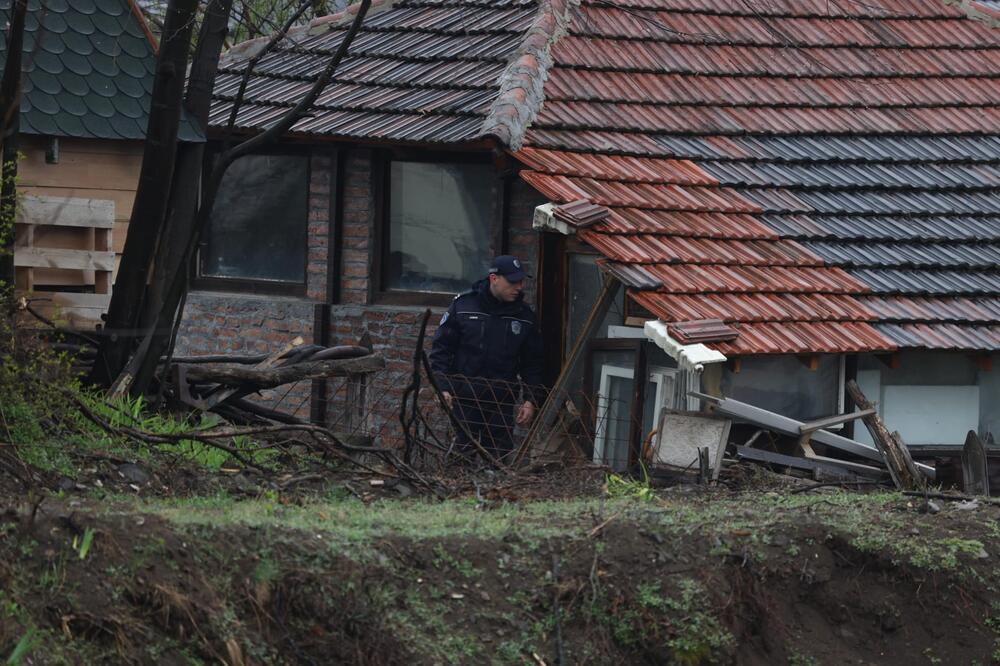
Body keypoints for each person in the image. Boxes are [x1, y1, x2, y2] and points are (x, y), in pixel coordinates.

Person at [429, 255, 545, 461]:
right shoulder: (463, 306)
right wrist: (443, 386)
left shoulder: (524, 315)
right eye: (513, 282)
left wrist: (530, 399)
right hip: (465, 397)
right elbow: (442, 350)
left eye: (521, 281)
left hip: (501, 400)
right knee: (462, 456)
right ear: (494, 278)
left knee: (498, 459)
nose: (519, 287)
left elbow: (532, 362)